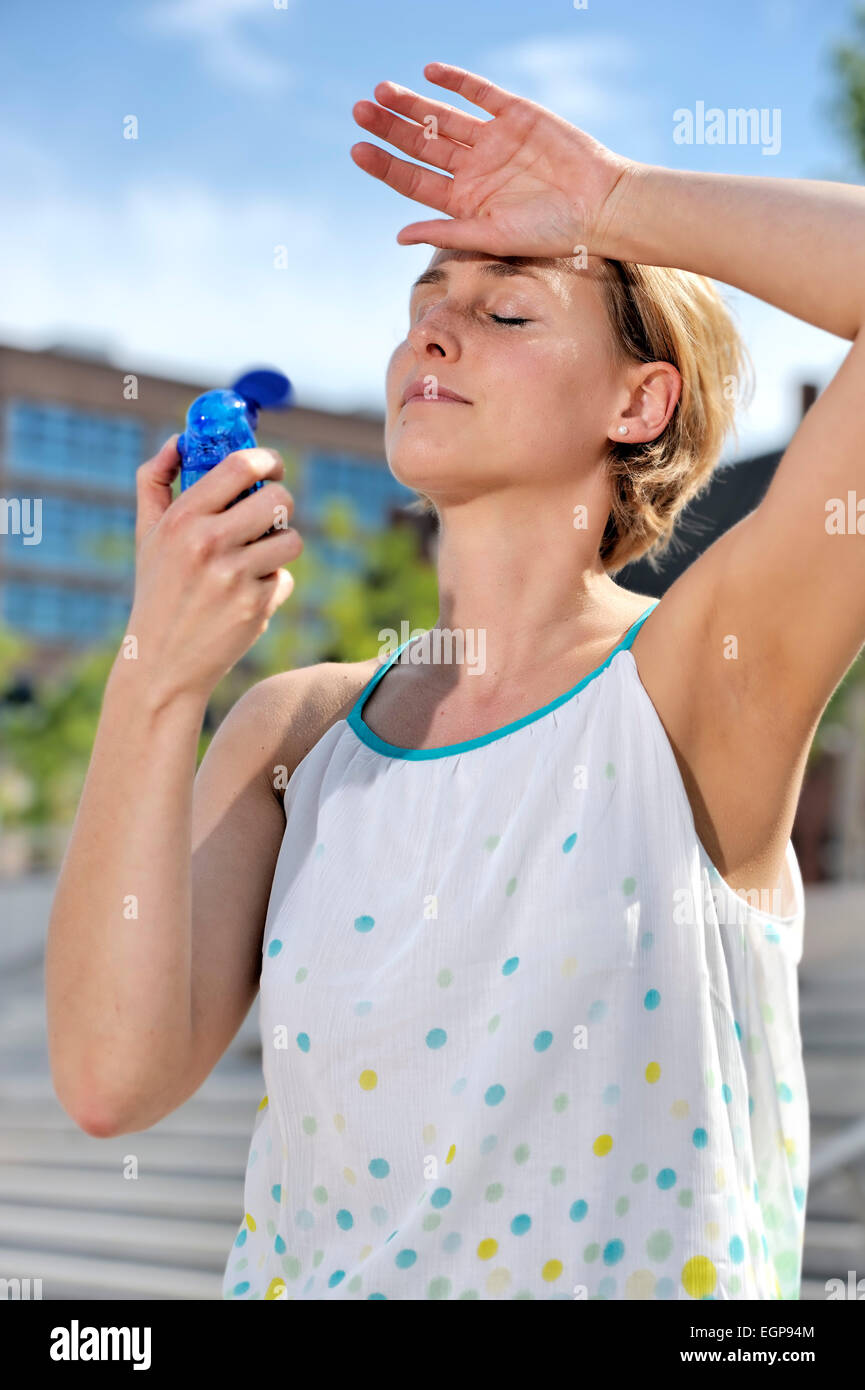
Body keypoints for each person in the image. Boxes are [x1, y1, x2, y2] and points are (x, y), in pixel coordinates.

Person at [45, 60, 865, 1301]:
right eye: (428, 299)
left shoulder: (697, 680)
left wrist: (608, 198)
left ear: (641, 401)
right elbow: (111, 1078)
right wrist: (154, 677)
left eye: (509, 308)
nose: (433, 328)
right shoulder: (297, 731)